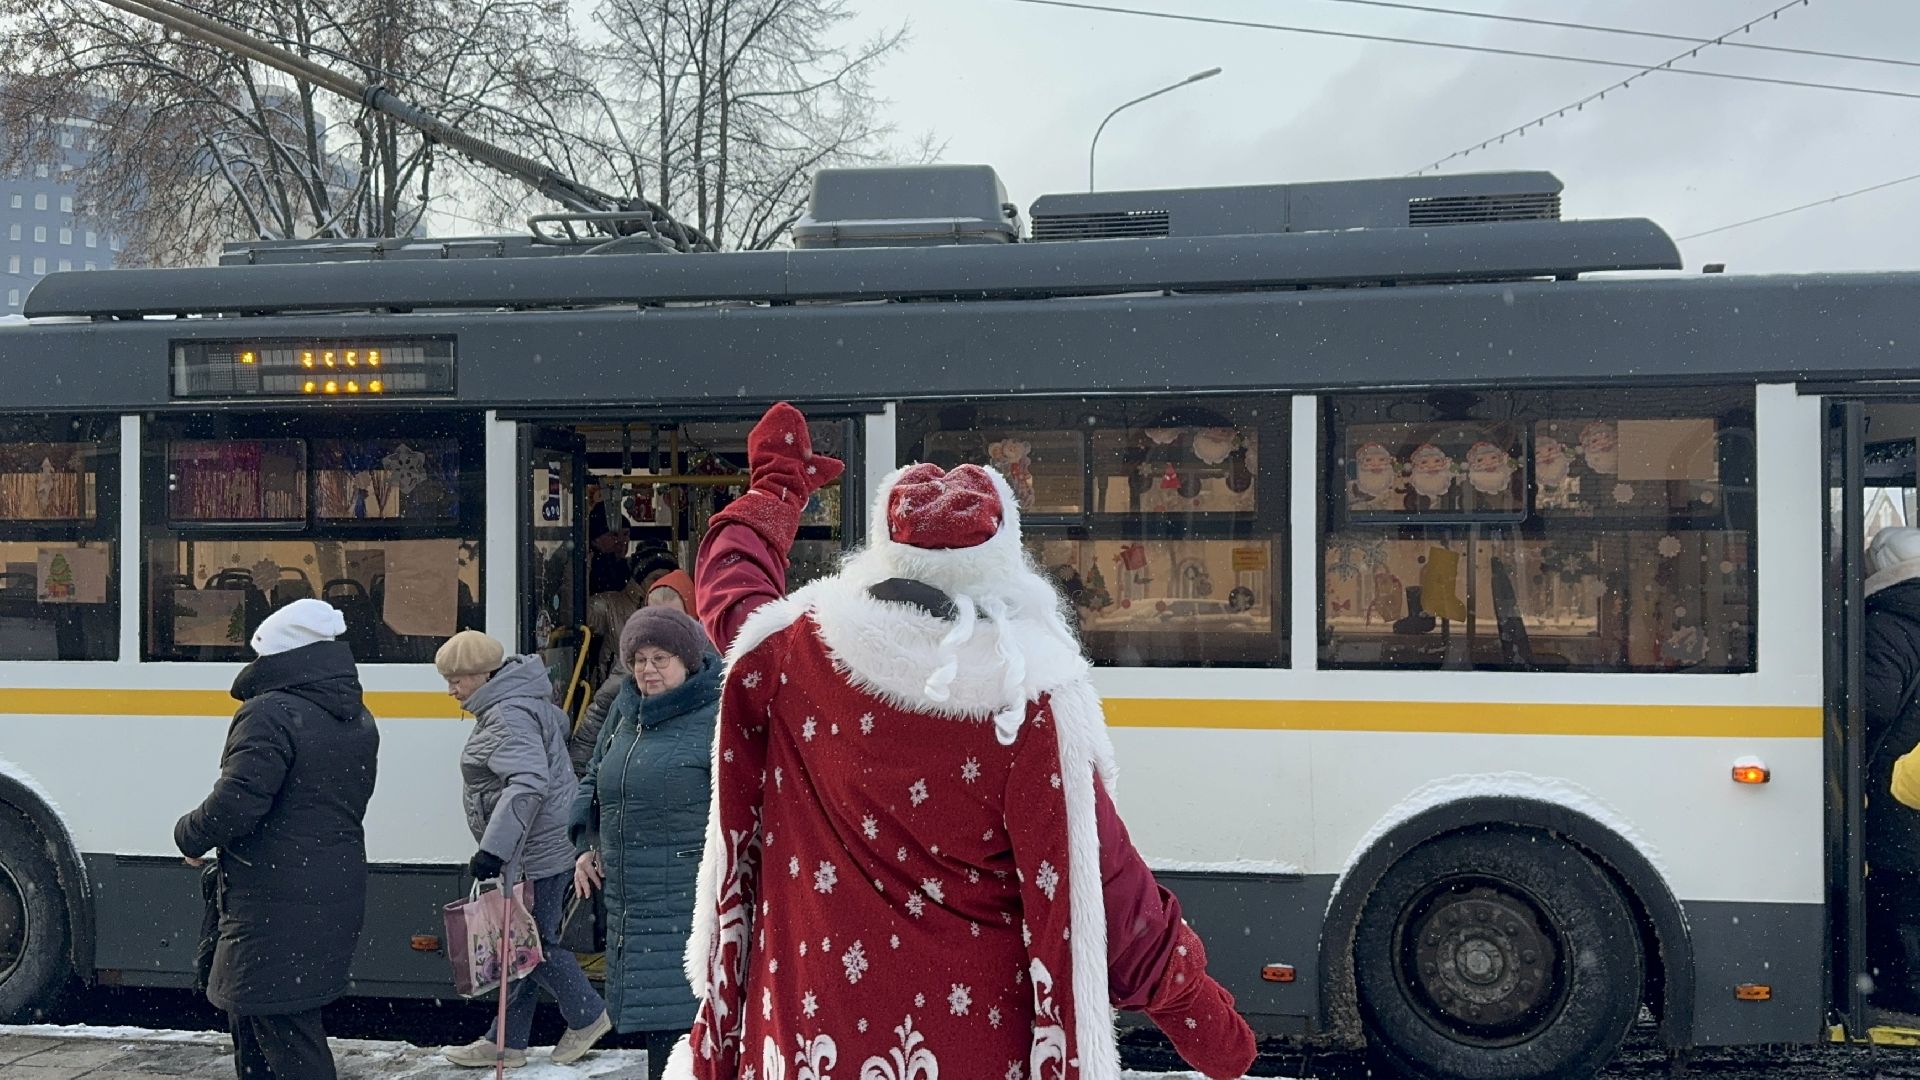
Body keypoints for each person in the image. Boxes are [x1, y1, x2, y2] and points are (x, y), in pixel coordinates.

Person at [671, 404, 1257, 1080]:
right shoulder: (1026, 706)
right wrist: (1213, 1029)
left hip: (809, 1041)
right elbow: (1117, 907)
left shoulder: (794, 656)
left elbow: (730, 594)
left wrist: (774, 493)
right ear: (1001, 566)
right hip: (970, 1046)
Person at [173, 599, 380, 1080]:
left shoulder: (270, 713)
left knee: (282, 1032)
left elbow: (238, 801)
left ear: (278, 656)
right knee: (266, 1024)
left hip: (275, 898)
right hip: (327, 884)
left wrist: (189, 833)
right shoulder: (354, 712)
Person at [437, 630, 612, 1069]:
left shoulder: (507, 715)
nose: (451, 689)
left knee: (530, 945)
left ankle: (588, 1014)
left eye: (456, 679)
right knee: (518, 943)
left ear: (481, 675)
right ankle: (506, 1043)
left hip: (531, 852)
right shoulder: (520, 701)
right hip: (543, 847)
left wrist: (494, 850)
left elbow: (528, 785)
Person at [570, 606, 721, 1079]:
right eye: (638, 659)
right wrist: (585, 845)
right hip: (632, 905)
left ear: (689, 661)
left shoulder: (717, 713)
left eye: (661, 658)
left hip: (688, 901)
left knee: (685, 1031)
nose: (647, 670)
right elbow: (594, 778)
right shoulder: (625, 709)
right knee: (663, 1036)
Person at [1864, 526, 1920, 1012]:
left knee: (1895, 874)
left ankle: (1901, 985)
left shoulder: (1887, 619)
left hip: (1899, 765)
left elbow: (1878, 702)